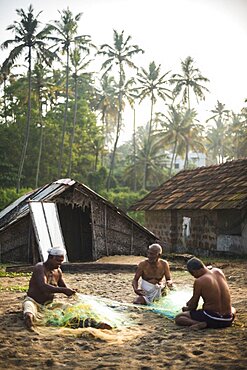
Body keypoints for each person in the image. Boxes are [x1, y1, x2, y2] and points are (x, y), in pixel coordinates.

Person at [175, 257, 236, 330]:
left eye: (193, 273)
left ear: (196, 270)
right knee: (232, 308)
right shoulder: (218, 272)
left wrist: (187, 308)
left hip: (212, 318)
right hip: (228, 319)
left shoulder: (200, 281)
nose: (194, 276)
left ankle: (197, 323)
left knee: (179, 317)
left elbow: (193, 306)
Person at [23, 247, 76, 330]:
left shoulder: (58, 271)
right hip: (33, 301)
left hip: (48, 305)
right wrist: (64, 290)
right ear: (50, 258)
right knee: (29, 312)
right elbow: (43, 287)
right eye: (58, 261)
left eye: (61, 261)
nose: (60, 264)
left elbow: (63, 286)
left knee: (70, 308)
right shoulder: (40, 267)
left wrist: (71, 291)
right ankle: (29, 323)